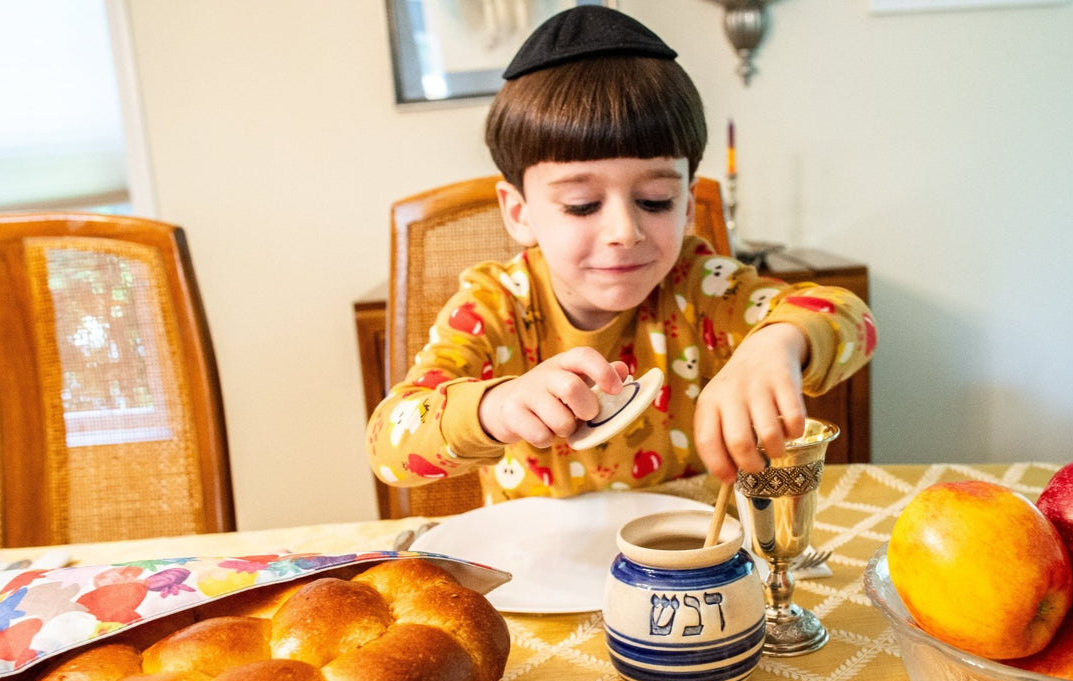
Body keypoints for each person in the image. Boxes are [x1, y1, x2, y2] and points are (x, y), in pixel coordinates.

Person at [367, 5, 876, 505]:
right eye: (582, 205)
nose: (624, 231)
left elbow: (853, 318)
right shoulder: (495, 309)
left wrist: (779, 343)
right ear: (519, 213)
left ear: (687, 205)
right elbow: (389, 445)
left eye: (655, 200)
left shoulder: (701, 288)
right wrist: (494, 408)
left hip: (686, 566)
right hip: (543, 570)